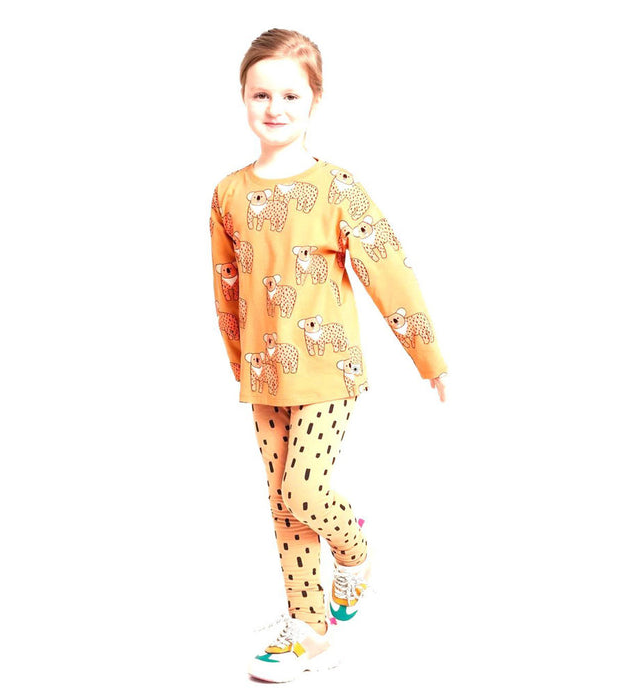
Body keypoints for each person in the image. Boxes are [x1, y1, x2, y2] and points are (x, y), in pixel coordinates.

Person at [209, 28, 447, 683]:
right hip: (263, 375)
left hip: (328, 371)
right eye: (260, 94)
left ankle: (355, 552)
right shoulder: (227, 193)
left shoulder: (337, 187)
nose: (274, 107)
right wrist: (239, 362)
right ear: (243, 98)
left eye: (290, 94)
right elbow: (226, 286)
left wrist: (428, 356)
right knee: (281, 504)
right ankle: (310, 631)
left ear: (315, 99)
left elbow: (387, 269)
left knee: (302, 490)